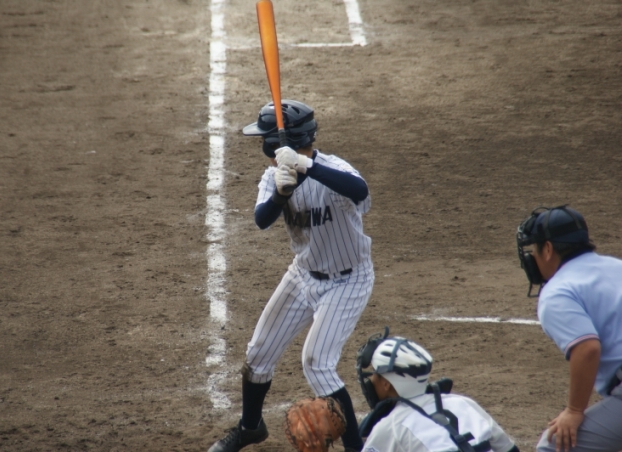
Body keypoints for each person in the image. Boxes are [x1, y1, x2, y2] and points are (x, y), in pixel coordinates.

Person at [208, 99, 374, 452]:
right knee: (258, 353)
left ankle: (356, 449)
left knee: (317, 364)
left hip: (348, 281)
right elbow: (262, 220)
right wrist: (282, 195)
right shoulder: (273, 176)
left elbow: (360, 191)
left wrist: (307, 167)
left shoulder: (334, 169)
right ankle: (250, 427)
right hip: (303, 275)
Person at [516, 205, 622, 452]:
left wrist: (574, 411)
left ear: (548, 249)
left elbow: (587, 348)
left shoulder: (558, 292)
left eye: (534, 249)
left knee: (555, 445)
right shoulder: (616, 266)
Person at [356, 327, 519, 452]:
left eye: (375, 373)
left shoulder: (390, 427)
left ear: (386, 384)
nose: (371, 379)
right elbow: (509, 449)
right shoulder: (464, 403)